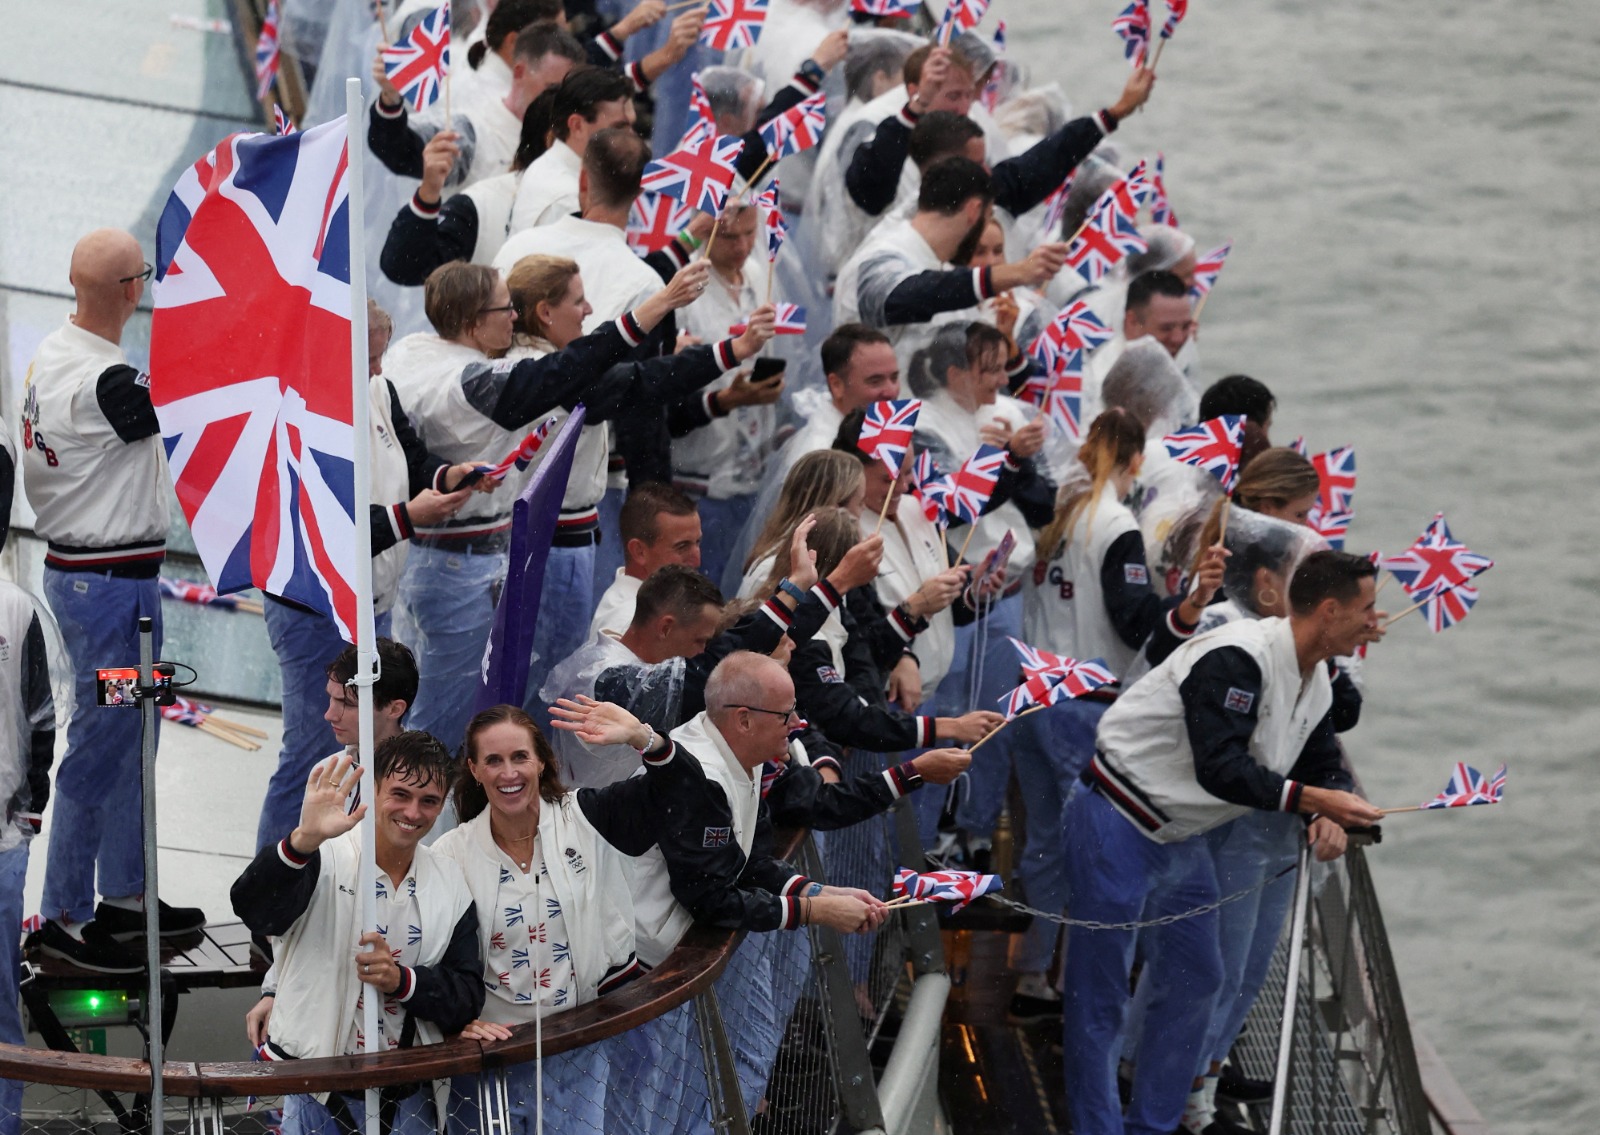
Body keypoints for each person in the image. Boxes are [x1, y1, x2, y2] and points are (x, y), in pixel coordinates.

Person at [1059, 550, 1387, 1135]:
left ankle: (1152, 1125)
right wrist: (1313, 801)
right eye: (1366, 609)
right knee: (1100, 995)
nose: (1376, 622)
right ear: (1331, 611)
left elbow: (1320, 759)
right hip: (1117, 819)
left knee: (1198, 978)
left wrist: (1330, 807)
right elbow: (1220, 766)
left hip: (1183, 836)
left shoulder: (1317, 680)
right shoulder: (1238, 657)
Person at [383, 256, 739, 751]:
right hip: (464, 566)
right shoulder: (473, 377)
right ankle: (425, 821)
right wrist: (663, 304)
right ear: (472, 321)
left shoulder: (413, 351)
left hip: (447, 558)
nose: (515, 315)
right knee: (455, 726)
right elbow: (581, 372)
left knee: (445, 716)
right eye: (506, 307)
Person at [547, 654, 892, 1118]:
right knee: (638, 1115)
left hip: (660, 967)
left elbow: (749, 862)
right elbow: (711, 899)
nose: (798, 722)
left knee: (681, 1100)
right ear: (744, 719)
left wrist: (818, 893)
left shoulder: (743, 759)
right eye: (786, 714)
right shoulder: (706, 772)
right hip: (629, 976)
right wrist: (817, 912)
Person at [19, 228, 203, 970]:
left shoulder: (56, 351)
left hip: (115, 584)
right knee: (102, 743)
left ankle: (125, 894)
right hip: (107, 593)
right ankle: (64, 916)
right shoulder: (106, 382)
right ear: (136, 290)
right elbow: (185, 404)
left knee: (138, 733)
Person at [493, 255, 776, 723]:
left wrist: (733, 349)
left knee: (544, 682)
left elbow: (638, 379)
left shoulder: (544, 366)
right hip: (547, 546)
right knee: (542, 685)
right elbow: (639, 380)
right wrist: (684, 313)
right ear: (545, 312)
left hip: (557, 540)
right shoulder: (544, 372)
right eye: (578, 301)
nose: (587, 311)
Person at [1010, 408, 1225, 1020]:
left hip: (1032, 690)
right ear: (1134, 462)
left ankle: (1031, 969)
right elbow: (1134, 619)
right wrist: (1186, 608)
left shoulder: (1057, 508)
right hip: (1085, 702)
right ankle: (1067, 982)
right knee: (1093, 854)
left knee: (1045, 842)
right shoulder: (1114, 523)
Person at [255, 301, 490, 854]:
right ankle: (272, 893)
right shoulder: (300, 416)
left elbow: (409, 455)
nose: (378, 370)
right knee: (314, 753)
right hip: (316, 606)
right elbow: (323, 535)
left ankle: (331, 876)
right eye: (369, 358)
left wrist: (447, 474)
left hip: (371, 601)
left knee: (356, 751)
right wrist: (411, 517)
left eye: (382, 355)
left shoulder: (377, 391)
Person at [431, 705, 667, 1135]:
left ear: (541, 760)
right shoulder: (450, 853)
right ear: (474, 769)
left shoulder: (585, 819)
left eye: (520, 757)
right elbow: (428, 953)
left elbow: (684, 796)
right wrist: (453, 1022)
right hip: (491, 1058)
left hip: (578, 1047)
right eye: (494, 761)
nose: (509, 773)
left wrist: (643, 739)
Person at [231, 737, 484, 1135]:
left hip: (409, 1094)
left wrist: (402, 980)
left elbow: (467, 996)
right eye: (399, 794)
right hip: (318, 1086)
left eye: (429, 801)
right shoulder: (324, 856)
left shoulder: (450, 880)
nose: (413, 812)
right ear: (373, 789)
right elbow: (256, 911)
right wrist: (302, 841)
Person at [910, 322, 1056, 865]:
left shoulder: (1012, 415)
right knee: (943, 713)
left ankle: (973, 835)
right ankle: (923, 841)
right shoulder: (925, 424)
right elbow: (955, 508)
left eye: (1003, 366)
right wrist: (1008, 463)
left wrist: (1012, 466)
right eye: (989, 367)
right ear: (955, 374)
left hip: (1008, 590)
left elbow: (1043, 503)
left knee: (995, 718)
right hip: (955, 595)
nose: (1001, 378)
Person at [244, 637, 424, 1044]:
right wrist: (277, 988)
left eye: (346, 703)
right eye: (330, 698)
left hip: (388, 1016)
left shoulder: (428, 793)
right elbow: (309, 898)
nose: (329, 714)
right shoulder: (331, 773)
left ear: (395, 708)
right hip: (316, 1008)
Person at [844, 60, 1156, 230]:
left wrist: (1115, 112)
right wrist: (918, 103)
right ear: (937, 169)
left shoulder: (987, 196)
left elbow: (1046, 159)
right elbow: (873, 188)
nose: (986, 172)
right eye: (974, 165)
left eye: (969, 94)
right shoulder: (899, 227)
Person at [833, 156, 1068, 365]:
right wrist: (1015, 273)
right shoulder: (884, 254)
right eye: (987, 219)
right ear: (974, 211)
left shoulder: (929, 253)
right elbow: (911, 295)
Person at [670, 203, 790, 586]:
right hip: (700, 471)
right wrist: (728, 398)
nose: (741, 246)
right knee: (702, 594)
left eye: (749, 234)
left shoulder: (759, 276)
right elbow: (668, 389)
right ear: (705, 231)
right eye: (728, 235)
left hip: (753, 466)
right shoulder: (685, 287)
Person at [368, 24, 587, 194]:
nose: (561, 99)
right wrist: (391, 99)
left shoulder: (573, 134)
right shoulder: (475, 129)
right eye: (553, 88)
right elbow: (398, 149)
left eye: (568, 90)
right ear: (519, 72)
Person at [0, 580, 57, 1125]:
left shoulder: (15, 610)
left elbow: (42, 715)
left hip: (2, 844)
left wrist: (30, 813)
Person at [507, 67, 638, 233]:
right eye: (618, 128)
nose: (631, 138)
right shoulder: (568, 199)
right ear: (577, 126)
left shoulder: (549, 165)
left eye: (632, 127)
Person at [1080, 268, 1198, 426]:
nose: (1178, 339)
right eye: (1166, 328)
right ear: (1132, 321)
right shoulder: (1100, 379)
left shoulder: (1179, 356)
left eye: (1185, 326)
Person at [591, 482, 702, 636]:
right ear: (639, 552)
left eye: (697, 543)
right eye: (682, 547)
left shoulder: (656, 606)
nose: (697, 561)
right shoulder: (629, 623)